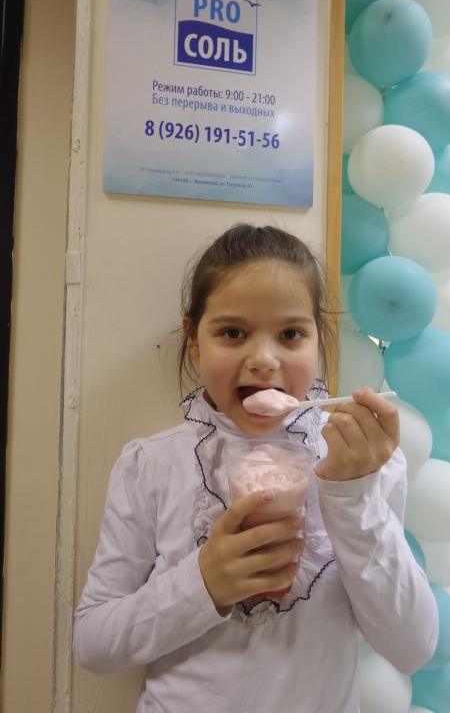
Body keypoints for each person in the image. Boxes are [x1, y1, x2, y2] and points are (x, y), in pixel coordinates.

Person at [73, 223, 438, 713]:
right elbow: (93, 643)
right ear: (195, 341)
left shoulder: (361, 464)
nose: (264, 360)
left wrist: (352, 499)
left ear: (316, 341)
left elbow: (413, 648)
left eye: (290, 334)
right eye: (233, 333)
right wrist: (204, 583)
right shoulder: (151, 465)